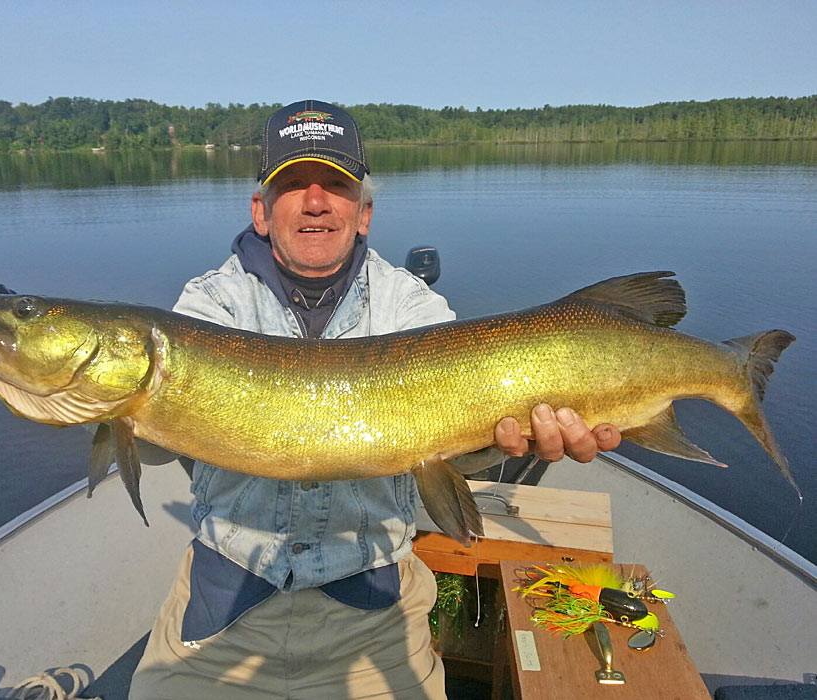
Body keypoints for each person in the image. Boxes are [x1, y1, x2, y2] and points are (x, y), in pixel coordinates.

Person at [129, 100, 621, 700]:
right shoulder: (208, 307)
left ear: (363, 214)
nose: (315, 202)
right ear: (261, 210)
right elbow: (156, 443)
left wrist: (514, 441)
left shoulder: (412, 307)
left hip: (374, 614)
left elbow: (459, 443)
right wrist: (97, 406)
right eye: (293, 184)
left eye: (336, 185)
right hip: (223, 610)